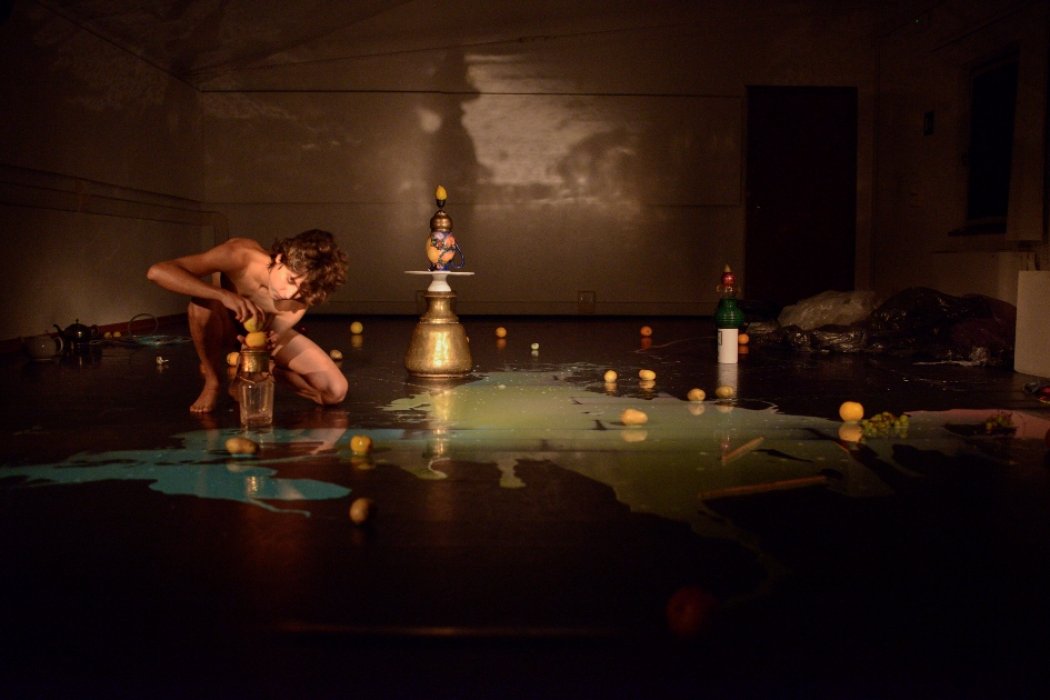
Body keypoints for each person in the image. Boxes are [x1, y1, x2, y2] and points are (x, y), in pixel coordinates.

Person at [147, 229, 349, 413]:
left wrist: (258, 355)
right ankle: (212, 380)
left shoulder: (299, 300)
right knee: (202, 303)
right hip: (223, 323)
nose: (289, 294)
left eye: (302, 290)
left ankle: (267, 372)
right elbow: (157, 272)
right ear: (281, 258)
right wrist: (224, 295)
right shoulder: (240, 255)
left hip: (256, 336)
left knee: (335, 392)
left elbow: (267, 336)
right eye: (290, 280)